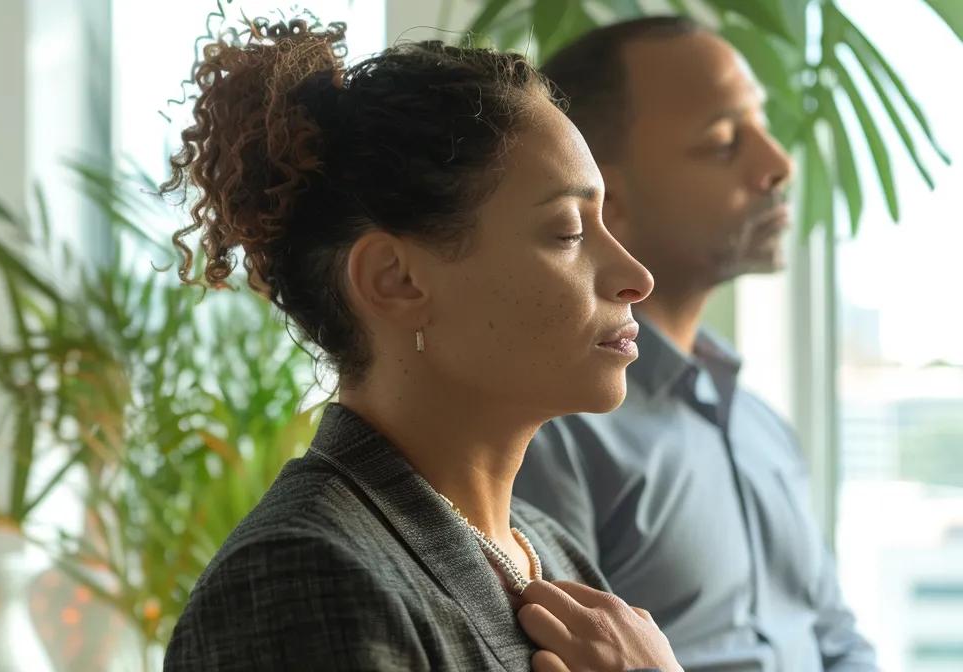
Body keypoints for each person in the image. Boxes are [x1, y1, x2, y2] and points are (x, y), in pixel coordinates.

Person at [158, 17, 678, 671]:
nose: (636, 276)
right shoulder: (303, 575)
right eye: (569, 230)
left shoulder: (550, 552)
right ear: (395, 279)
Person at [514, 17, 878, 671]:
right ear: (605, 201)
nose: (778, 163)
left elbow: (837, 639)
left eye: (760, 125)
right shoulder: (551, 434)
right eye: (722, 142)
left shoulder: (761, 425)